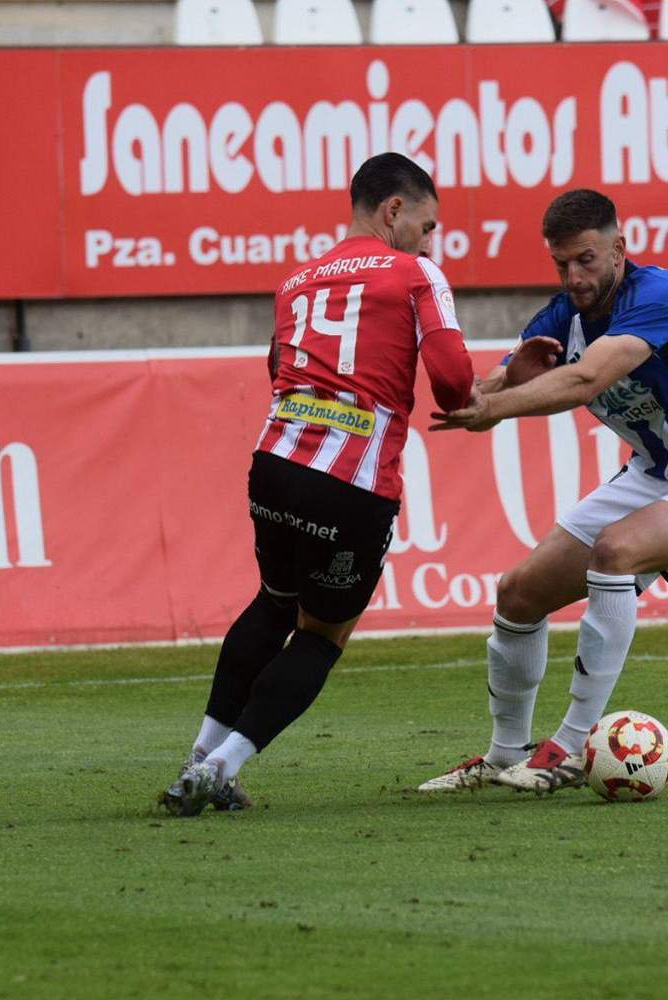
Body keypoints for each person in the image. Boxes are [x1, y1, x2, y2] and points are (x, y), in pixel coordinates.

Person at [418, 189, 668, 795]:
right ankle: (504, 755)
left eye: (586, 260)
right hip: (653, 473)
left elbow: (588, 376)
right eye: (562, 264)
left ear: (620, 247)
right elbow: (503, 381)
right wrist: (489, 387)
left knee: (614, 553)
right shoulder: (563, 316)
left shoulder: (662, 297)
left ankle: (569, 745)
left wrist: (498, 406)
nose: (574, 277)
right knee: (517, 593)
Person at [159, 153, 476, 817]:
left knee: (274, 602)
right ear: (394, 210)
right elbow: (450, 380)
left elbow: (278, 366)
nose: (429, 239)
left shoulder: (298, 282)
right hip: (351, 487)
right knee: (322, 634)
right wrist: (486, 393)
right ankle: (222, 767)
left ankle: (198, 754)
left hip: (273, 465)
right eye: (426, 224)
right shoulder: (417, 275)